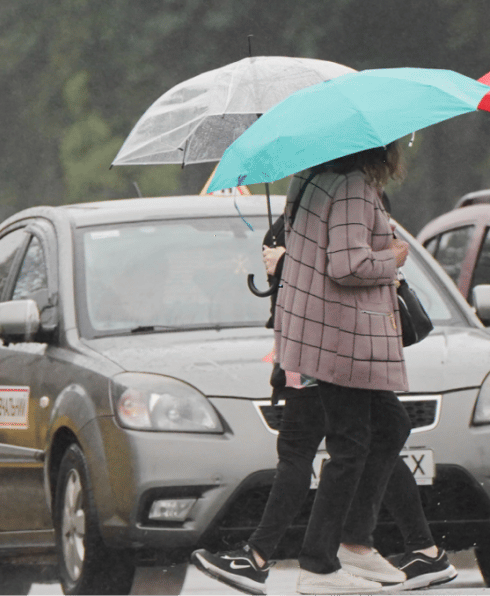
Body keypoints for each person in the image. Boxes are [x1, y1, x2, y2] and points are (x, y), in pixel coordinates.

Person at [190, 207, 456, 594]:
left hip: (327, 349)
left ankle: (284, 556)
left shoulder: (339, 201)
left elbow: (347, 268)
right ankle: (407, 548)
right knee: (380, 432)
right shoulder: (312, 210)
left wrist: (288, 265)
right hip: (320, 349)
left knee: (338, 443)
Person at [261, 141, 416, 594]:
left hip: (314, 331)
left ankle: (353, 542)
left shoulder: (307, 181)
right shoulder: (352, 185)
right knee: (351, 445)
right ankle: (320, 564)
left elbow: (308, 258)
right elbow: (347, 264)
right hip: (344, 336)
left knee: (390, 427)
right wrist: (393, 259)